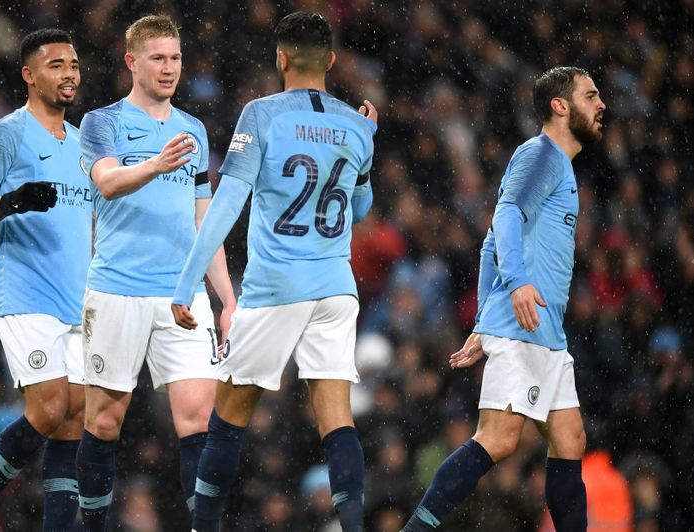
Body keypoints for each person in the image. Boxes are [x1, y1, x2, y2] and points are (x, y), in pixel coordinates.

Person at [170, 12, 378, 532]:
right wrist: (366, 147)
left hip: (275, 286)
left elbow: (226, 204)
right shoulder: (358, 124)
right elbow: (359, 210)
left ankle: (205, 527)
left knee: (229, 414)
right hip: (335, 287)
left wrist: (187, 282)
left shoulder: (260, 115)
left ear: (280, 58)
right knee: (336, 417)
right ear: (330, 61)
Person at [400, 66, 606, 531]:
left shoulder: (559, 167)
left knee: (570, 438)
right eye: (590, 96)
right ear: (560, 105)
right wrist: (513, 287)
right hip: (525, 325)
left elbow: (491, 242)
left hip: (544, 330)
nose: (601, 105)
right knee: (497, 439)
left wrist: (482, 320)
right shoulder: (542, 157)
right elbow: (507, 215)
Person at [76, 14, 237, 531]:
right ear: (132, 62)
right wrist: (154, 166)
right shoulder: (102, 122)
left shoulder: (193, 128)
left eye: (176, 58)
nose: (170, 69)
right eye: (158, 59)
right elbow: (106, 183)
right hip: (117, 290)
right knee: (104, 421)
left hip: (181, 296)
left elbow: (202, 218)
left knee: (199, 420)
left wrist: (227, 298)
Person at [0, 28, 91, 532]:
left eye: (72, 64)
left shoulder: (87, 144)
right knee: (49, 408)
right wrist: (10, 202)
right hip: (25, 293)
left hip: (78, 299)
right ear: (29, 75)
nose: (68, 74)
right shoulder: (5, 133)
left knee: (74, 418)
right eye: (55, 65)